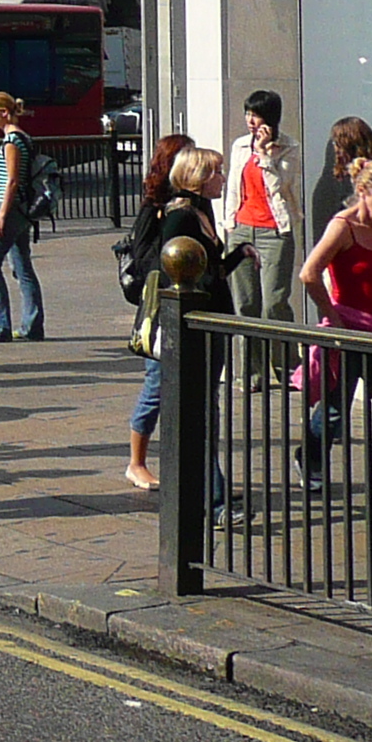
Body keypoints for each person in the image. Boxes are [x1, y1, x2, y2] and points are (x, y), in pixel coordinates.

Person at [299, 155, 372, 504]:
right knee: (335, 409)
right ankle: (310, 460)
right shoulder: (343, 226)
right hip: (350, 329)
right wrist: (333, 319)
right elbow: (309, 273)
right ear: (363, 191)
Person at [126, 147, 245, 494]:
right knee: (195, 405)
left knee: (207, 403)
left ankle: (208, 485)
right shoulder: (180, 215)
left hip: (213, 318)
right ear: (200, 177)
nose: (223, 178)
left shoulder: (201, 210)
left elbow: (212, 266)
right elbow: (177, 269)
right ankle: (212, 491)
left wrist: (238, 255)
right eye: (218, 171)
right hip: (192, 321)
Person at [224, 93, 300, 384]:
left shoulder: (288, 147)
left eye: (255, 115)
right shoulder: (240, 145)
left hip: (274, 230)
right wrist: (229, 223)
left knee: (274, 302)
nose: (250, 121)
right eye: (247, 114)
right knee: (245, 304)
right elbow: (233, 186)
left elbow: (281, 186)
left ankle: (287, 368)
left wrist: (266, 155)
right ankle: (252, 373)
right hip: (242, 227)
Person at [0, 90, 46, 343]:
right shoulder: (23, 138)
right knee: (22, 267)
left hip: (12, 209)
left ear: (4, 113)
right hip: (23, 210)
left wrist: (1, 216)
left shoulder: (11, 141)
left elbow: (12, 181)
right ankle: (32, 325)